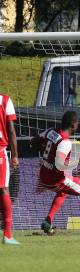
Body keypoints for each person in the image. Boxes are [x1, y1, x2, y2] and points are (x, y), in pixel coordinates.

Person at [32, 111, 80, 236]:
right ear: (73, 125)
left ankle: (48, 220)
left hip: (43, 175)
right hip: (57, 180)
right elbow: (60, 165)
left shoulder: (51, 131)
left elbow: (34, 141)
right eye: (77, 122)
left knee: (63, 192)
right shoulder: (65, 142)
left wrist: (45, 152)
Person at [0, 93, 20, 244]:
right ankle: (7, 234)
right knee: (3, 189)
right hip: (0, 152)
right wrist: (15, 155)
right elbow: (11, 131)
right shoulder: (5, 100)